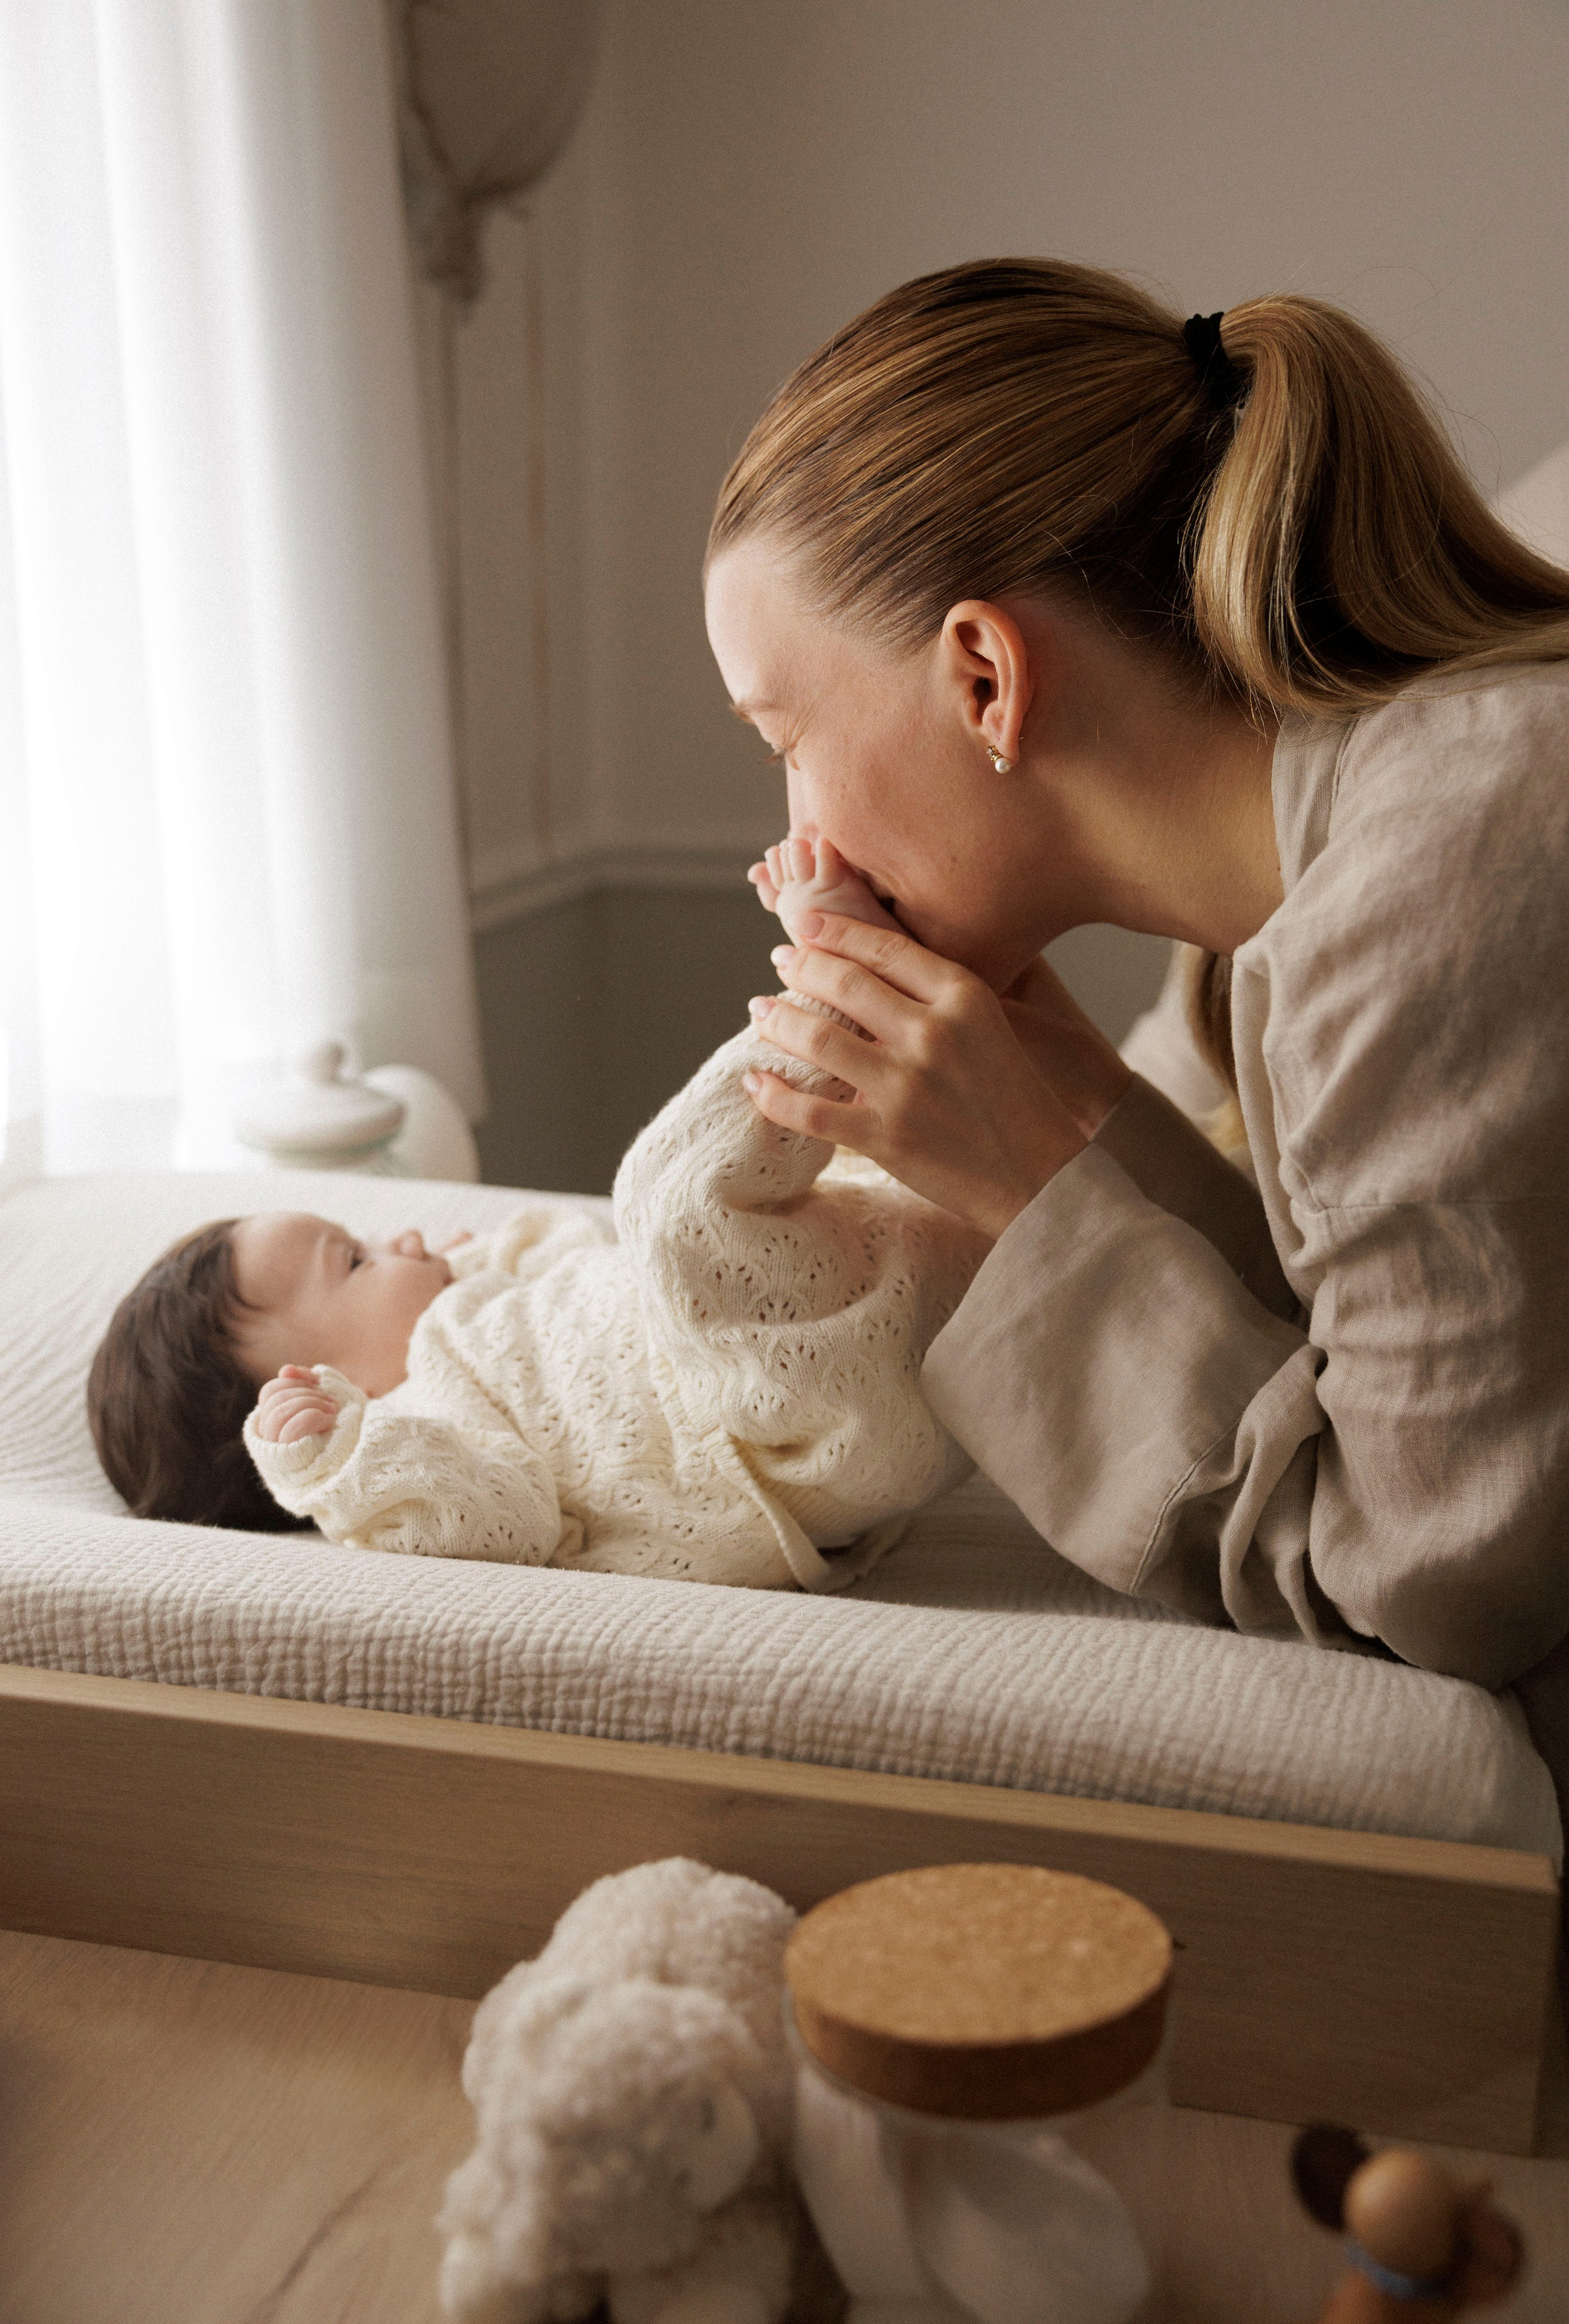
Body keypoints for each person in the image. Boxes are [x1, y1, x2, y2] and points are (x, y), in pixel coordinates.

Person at [705, 258, 1569, 1823]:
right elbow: (1366, 1364)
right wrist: (1074, 1103)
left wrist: (1034, 1189)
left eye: (783, 741)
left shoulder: (1428, 880)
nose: (787, 828)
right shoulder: (1335, 873)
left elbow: (1427, 1594)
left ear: (983, 672)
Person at [87, 848, 984, 1589]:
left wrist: (488, 1265)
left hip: (869, 1351)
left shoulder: (485, 1299)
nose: (398, 1239)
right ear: (328, 1389)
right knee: (666, 1199)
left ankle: (955, 1028)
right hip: (770, 1427)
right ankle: (850, 973)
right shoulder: (421, 1423)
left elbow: (580, 1265)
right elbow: (501, 1520)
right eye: (356, 1263)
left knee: (865, 1169)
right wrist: (336, 1463)